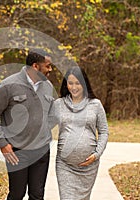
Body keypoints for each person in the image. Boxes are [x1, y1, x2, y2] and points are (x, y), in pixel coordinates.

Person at [0, 49, 55, 200]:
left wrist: (43, 130)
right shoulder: (9, 85)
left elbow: (53, 114)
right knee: (17, 194)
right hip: (16, 151)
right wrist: (2, 142)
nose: (50, 70)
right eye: (48, 66)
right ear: (36, 66)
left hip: (41, 150)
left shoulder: (48, 86)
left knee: (37, 195)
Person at [49, 66, 109, 200]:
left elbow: (104, 132)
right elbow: (45, 127)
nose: (74, 87)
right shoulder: (59, 104)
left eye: (78, 83)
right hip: (65, 165)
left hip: (89, 167)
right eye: (70, 83)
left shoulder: (95, 104)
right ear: (66, 84)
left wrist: (97, 154)